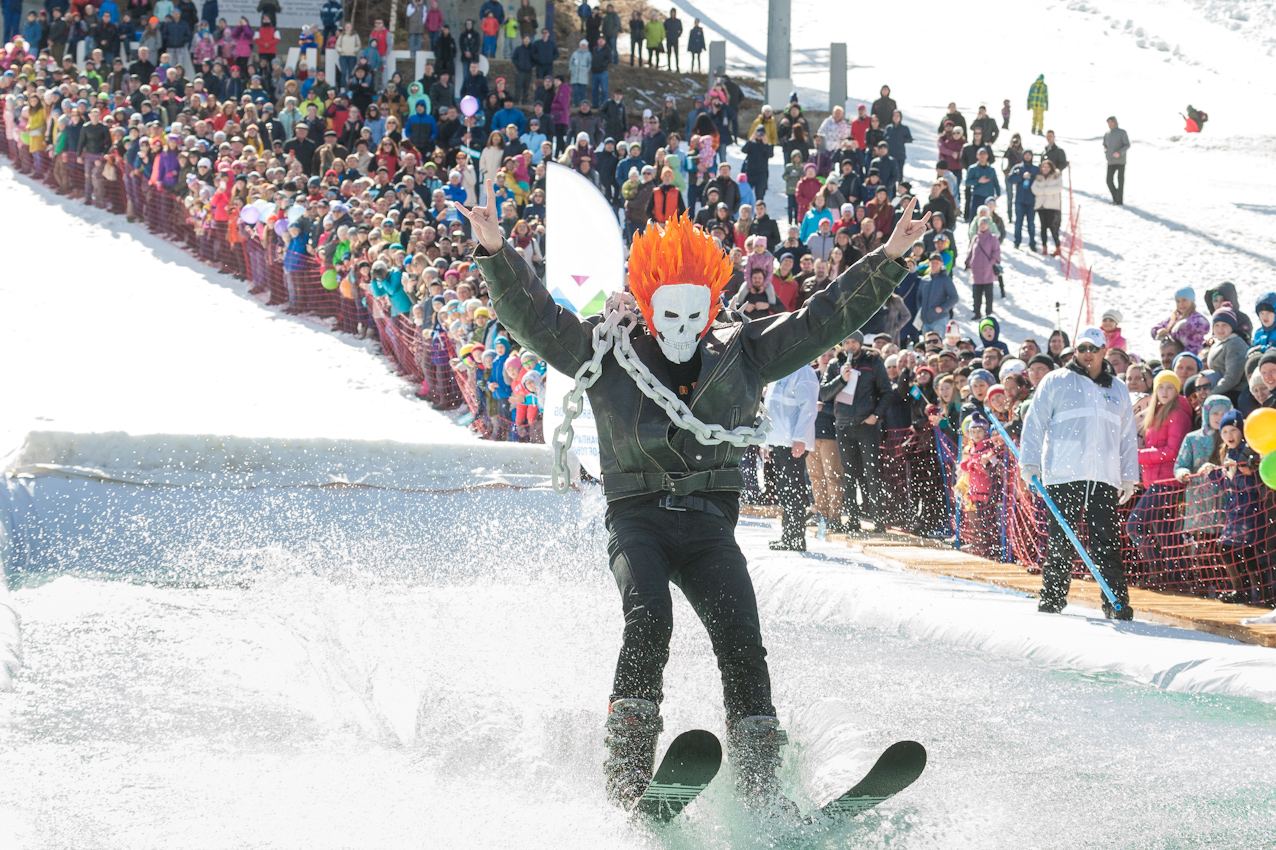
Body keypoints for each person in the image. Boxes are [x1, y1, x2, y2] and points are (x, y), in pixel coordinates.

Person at [459, 182, 929, 812]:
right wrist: (497, 253)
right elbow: (536, 318)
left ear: (711, 308)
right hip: (639, 518)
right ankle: (627, 775)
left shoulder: (744, 351)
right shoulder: (606, 347)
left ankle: (762, 790)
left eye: (693, 316)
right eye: (670, 315)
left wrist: (888, 258)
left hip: (709, 524)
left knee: (742, 638)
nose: (681, 328)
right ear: (648, 303)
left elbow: (822, 319)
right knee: (649, 619)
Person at [1018, 326, 1139, 619]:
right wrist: (1029, 463)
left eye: (1093, 349)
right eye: (1082, 348)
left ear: (1103, 351)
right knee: (1061, 541)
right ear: (1075, 351)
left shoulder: (1118, 388)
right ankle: (1051, 601)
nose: (1087, 354)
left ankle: (1116, 603)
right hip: (1063, 474)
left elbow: (1127, 436)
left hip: (1104, 477)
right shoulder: (1056, 380)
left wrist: (1128, 476)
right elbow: (1035, 422)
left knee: (1107, 543)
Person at [820, 331, 892, 535]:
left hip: (866, 425)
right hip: (843, 425)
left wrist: (876, 415)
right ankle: (852, 520)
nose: (850, 346)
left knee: (871, 473)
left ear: (860, 343)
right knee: (848, 475)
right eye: (847, 342)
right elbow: (824, 393)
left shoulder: (873, 362)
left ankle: (878, 520)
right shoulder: (836, 364)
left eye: (853, 342)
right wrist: (841, 379)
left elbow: (887, 392)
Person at [763, 364, 819, 551]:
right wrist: (766, 442)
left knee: (793, 490)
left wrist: (800, 438)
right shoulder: (781, 369)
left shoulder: (803, 371)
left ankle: (796, 538)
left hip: (792, 441)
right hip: (779, 439)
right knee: (784, 490)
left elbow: (809, 406)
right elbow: (770, 406)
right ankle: (788, 536)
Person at [1033, 159, 1063, 256]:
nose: (1045, 169)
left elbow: (1058, 188)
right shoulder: (1038, 177)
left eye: (1047, 167)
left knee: (1052, 226)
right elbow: (1034, 189)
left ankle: (1058, 246)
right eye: (1044, 167)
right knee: (1043, 227)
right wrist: (1047, 191)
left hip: (1052, 205)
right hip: (1041, 205)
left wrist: (1044, 190)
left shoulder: (1056, 176)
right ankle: (1044, 247)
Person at [1103, 116, 1129, 205]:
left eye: (1112, 122)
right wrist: (1106, 152)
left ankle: (1119, 201)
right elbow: (1105, 145)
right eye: (1109, 122)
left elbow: (1127, 145)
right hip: (1110, 161)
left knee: (1120, 181)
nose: (1110, 124)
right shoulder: (1107, 134)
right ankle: (1116, 198)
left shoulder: (1122, 132)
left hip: (1120, 161)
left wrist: (1119, 152)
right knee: (1109, 181)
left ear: (1115, 122)